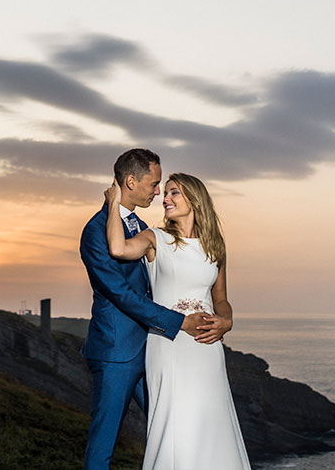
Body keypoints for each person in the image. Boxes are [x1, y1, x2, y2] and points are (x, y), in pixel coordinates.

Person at [105, 172, 250, 469]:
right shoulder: (155, 239)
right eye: (165, 193)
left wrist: (226, 321)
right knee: (175, 421)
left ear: (194, 200)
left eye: (174, 193)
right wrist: (113, 204)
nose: (164, 198)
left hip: (207, 347)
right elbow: (118, 249)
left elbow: (221, 298)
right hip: (169, 343)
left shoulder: (215, 246)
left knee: (210, 419)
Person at [80, 149, 210, 470]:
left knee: (169, 428)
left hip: (151, 350)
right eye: (153, 184)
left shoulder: (141, 226)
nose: (157, 192)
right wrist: (179, 323)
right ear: (131, 181)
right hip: (116, 353)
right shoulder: (95, 232)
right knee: (103, 444)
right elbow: (122, 294)